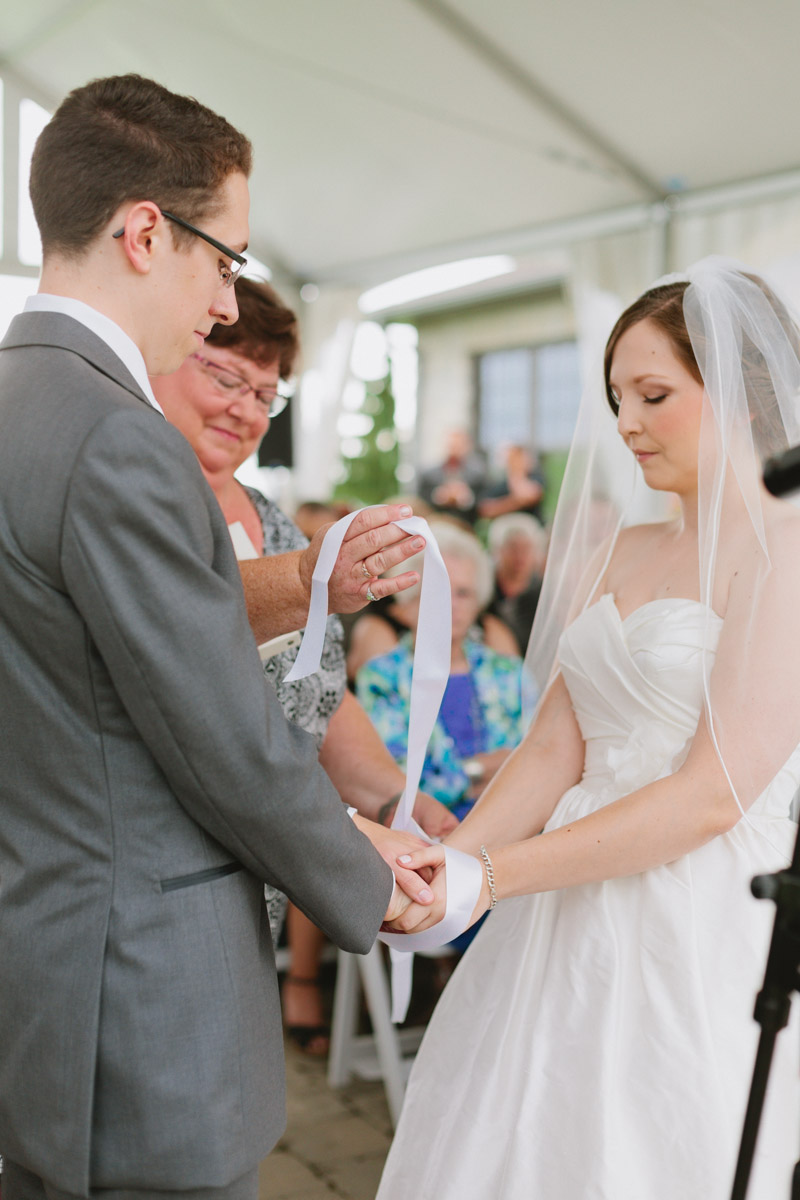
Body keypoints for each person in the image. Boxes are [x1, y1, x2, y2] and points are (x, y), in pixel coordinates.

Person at [0, 74, 442, 1200]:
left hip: (48, 962)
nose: (224, 293)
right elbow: (220, 738)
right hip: (145, 1002)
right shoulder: (116, 437)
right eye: (224, 256)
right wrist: (359, 869)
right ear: (146, 232)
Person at [377, 260, 800, 1199]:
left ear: (742, 390)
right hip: (563, 892)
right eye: (616, 397)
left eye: (654, 394)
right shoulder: (624, 544)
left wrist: (489, 876)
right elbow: (555, 747)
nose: (625, 424)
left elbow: (710, 796)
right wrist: (442, 870)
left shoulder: (787, 552)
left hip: (698, 902)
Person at [151, 276, 457, 1055]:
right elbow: (179, 634)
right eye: (226, 377)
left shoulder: (277, 523)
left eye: (266, 393)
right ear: (165, 357)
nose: (245, 410)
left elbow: (321, 694)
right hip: (161, 869)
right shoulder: (137, 507)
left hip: (267, 864)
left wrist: (394, 795)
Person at [357, 521, 526, 821]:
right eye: (438, 590)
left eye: (463, 593)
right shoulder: (381, 678)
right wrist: (477, 771)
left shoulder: (509, 672)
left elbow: (534, 761)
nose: (452, 604)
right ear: (408, 600)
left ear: (479, 601)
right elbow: (392, 782)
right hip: (423, 832)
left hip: (513, 826)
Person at [484, 511, 548, 652]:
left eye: (526, 548)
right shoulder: (484, 591)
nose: (520, 556)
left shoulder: (544, 595)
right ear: (497, 550)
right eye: (512, 547)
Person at [417, 428, 487, 525]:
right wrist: (439, 496)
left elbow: (485, 503)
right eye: (452, 446)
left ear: (467, 447)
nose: (454, 450)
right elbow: (420, 500)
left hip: (466, 523)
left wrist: (465, 497)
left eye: (459, 446)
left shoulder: (478, 475)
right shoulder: (428, 474)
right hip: (435, 521)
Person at [478, 442, 545, 522]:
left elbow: (530, 496)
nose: (517, 462)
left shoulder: (536, 478)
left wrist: (500, 506)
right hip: (505, 526)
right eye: (514, 459)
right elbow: (485, 510)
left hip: (530, 524)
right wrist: (515, 501)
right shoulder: (499, 484)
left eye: (519, 458)